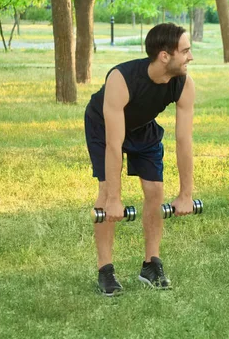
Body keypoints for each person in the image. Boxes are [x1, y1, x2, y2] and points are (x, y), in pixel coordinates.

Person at [84, 23, 196, 296]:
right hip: (103, 128)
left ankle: (151, 264)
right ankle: (105, 270)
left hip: (143, 127)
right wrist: (114, 198)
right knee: (105, 191)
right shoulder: (122, 79)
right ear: (164, 55)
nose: (190, 57)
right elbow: (113, 144)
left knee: (155, 190)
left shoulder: (183, 83)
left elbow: (184, 141)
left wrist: (185, 194)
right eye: (185, 51)